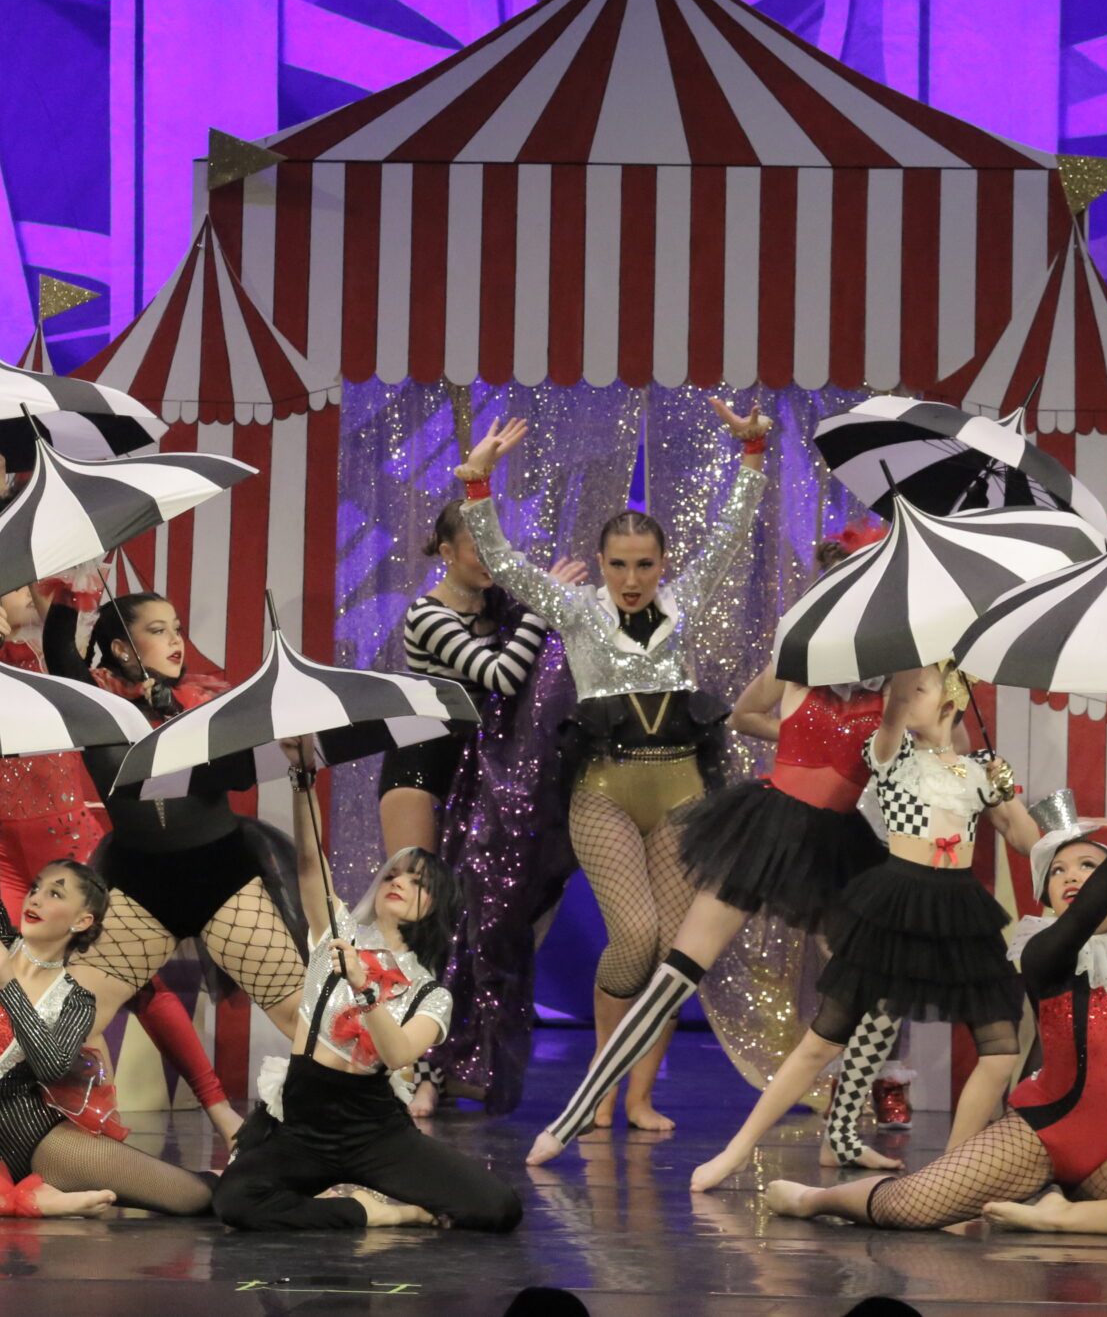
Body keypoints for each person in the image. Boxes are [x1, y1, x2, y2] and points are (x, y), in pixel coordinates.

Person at [454, 403, 771, 1155]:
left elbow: (732, 534)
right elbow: (505, 563)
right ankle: (601, 1077)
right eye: (619, 564)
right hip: (605, 791)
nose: (632, 578)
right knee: (633, 937)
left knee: (671, 954)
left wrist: (752, 455)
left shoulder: (683, 603)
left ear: (662, 565)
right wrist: (477, 486)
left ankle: (638, 1095)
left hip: (682, 790)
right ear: (600, 564)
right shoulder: (576, 610)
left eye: (645, 565)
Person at [763, 770, 1107, 1238]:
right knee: (910, 1207)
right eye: (1057, 872)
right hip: (1038, 1138)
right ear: (1047, 895)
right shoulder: (1043, 952)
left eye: (1087, 865)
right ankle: (812, 1199)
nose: (1070, 876)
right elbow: (1080, 921)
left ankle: (1059, 1215)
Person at [0, 581, 244, 1142]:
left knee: (139, 984)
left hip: (65, 844)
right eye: (5, 589)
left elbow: (59, 620)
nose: (15, 596)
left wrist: (54, 591)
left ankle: (221, 1112)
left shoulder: (54, 652)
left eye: (25, 587)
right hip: (0, 850)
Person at [688, 662, 1036, 1190]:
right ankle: (737, 1150)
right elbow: (893, 714)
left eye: (917, 687)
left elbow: (1024, 836)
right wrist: (911, 660)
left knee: (1001, 1048)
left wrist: (1069, 840)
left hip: (959, 914)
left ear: (950, 702)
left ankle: (951, 1174)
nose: (899, 693)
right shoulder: (890, 752)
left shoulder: (979, 771)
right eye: (900, 686)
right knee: (823, 1040)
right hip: (895, 907)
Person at [0, 769, 216, 1218]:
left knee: (196, 1197)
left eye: (55, 894)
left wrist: (10, 984)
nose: (36, 899)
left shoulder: (75, 998)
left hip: (44, 1147)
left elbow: (50, 1065)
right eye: (35, 888)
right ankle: (30, 1202)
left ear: (82, 921)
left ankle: (255, 1181)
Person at [207, 741, 522, 1232]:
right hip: (304, 1129)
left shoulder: (430, 993)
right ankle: (374, 1212)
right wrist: (303, 777)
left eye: (416, 882)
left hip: (373, 1131)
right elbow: (309, 863)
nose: (397, 882)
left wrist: (367, 990)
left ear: (436, 905)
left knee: (497, 1209)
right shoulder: (339, 932)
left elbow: (397, 1054)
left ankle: (380, 1195)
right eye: (393, 873)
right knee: (235, 1201)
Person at [390, 498, 573, 1115]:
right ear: (447, 552)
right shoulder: (427, 612)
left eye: (497, 545)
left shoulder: (500, 608)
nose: (491, 558)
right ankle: (412, 1066)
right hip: (424, 765)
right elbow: (499, 676)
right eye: (477, 548)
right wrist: (541, 609)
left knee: (472, 928)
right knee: (423, 920)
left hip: (483, 774)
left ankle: (454, 1062)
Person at [68, 592, 310, 1040]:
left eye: (177, 629)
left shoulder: (204, 702)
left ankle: (366, 1083)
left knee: (302, 1017)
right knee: (69, 1023)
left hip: (220, 878)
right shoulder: (94, 705)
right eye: (158, 631)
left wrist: (177, 714)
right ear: (122, 648)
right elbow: (59, 647)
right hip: (139, 884)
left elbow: (239, 777)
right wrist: (71, 584)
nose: (176, 640)